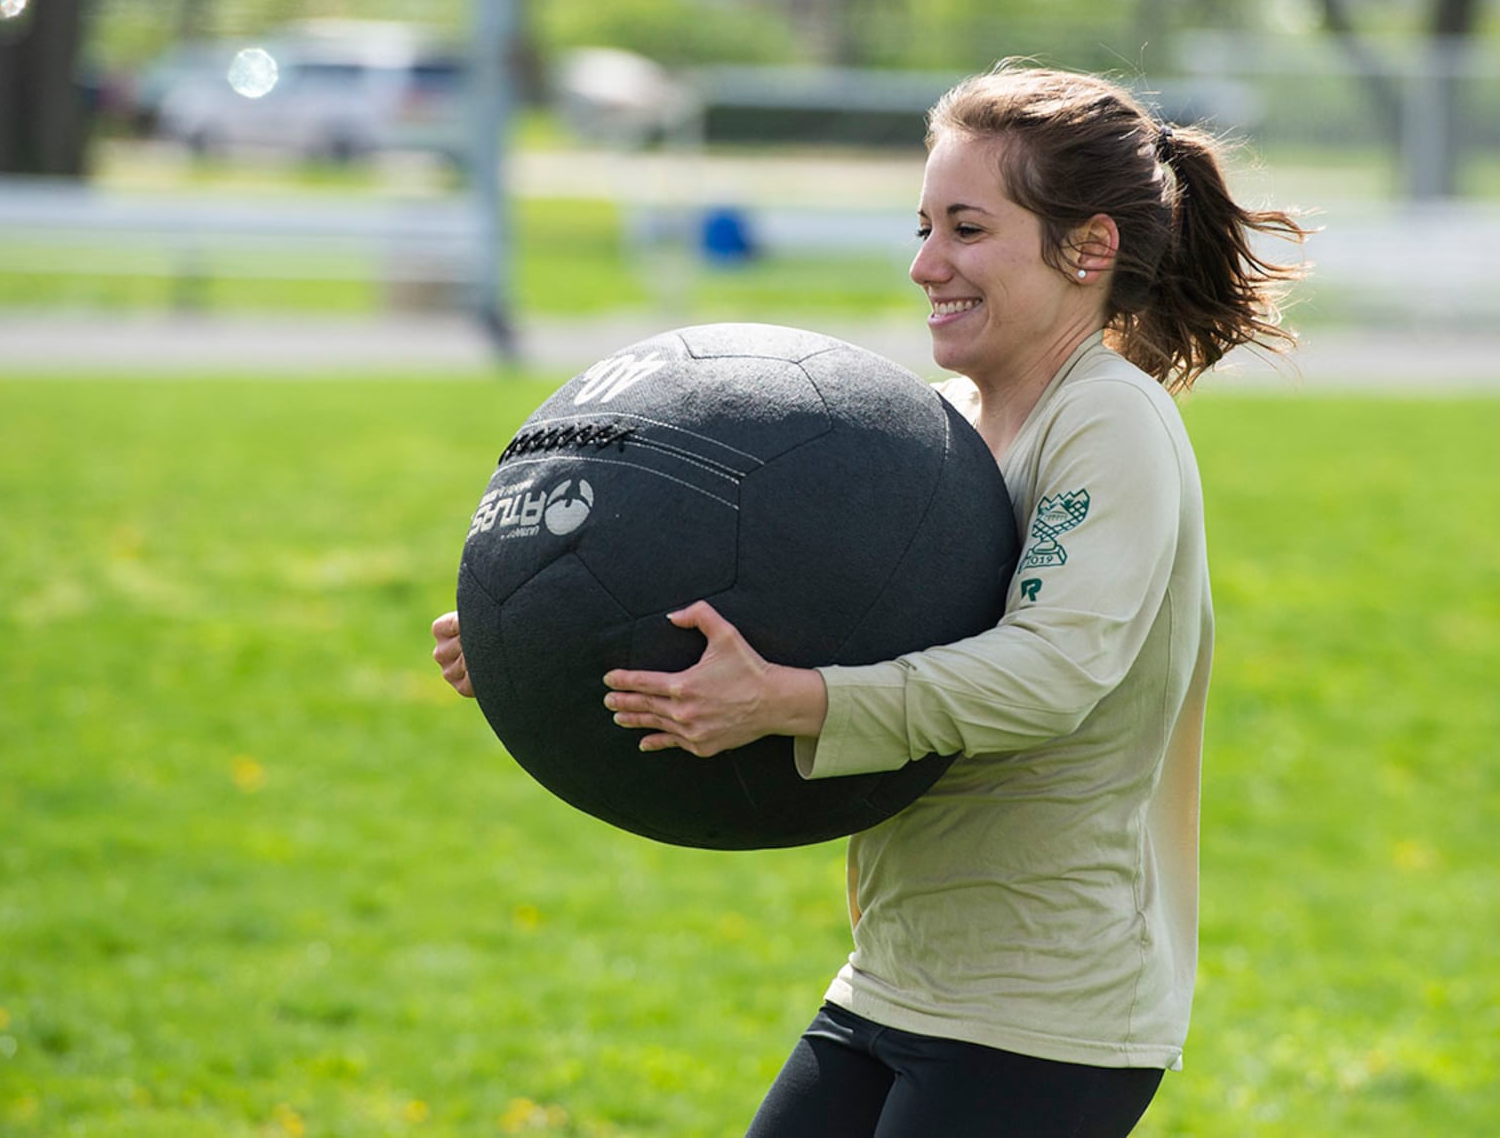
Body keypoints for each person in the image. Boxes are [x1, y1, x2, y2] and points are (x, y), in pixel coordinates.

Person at [434, 62, 1307, 1136]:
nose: (923, 264)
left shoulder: (1108, 422)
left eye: (966, 229)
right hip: (896, 971)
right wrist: (548, 639)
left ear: (1087, 248)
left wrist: (792, 701)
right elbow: (811, 623)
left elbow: (1052, 673)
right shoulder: (942, 426)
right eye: (922, 225)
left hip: (1048, 1001)